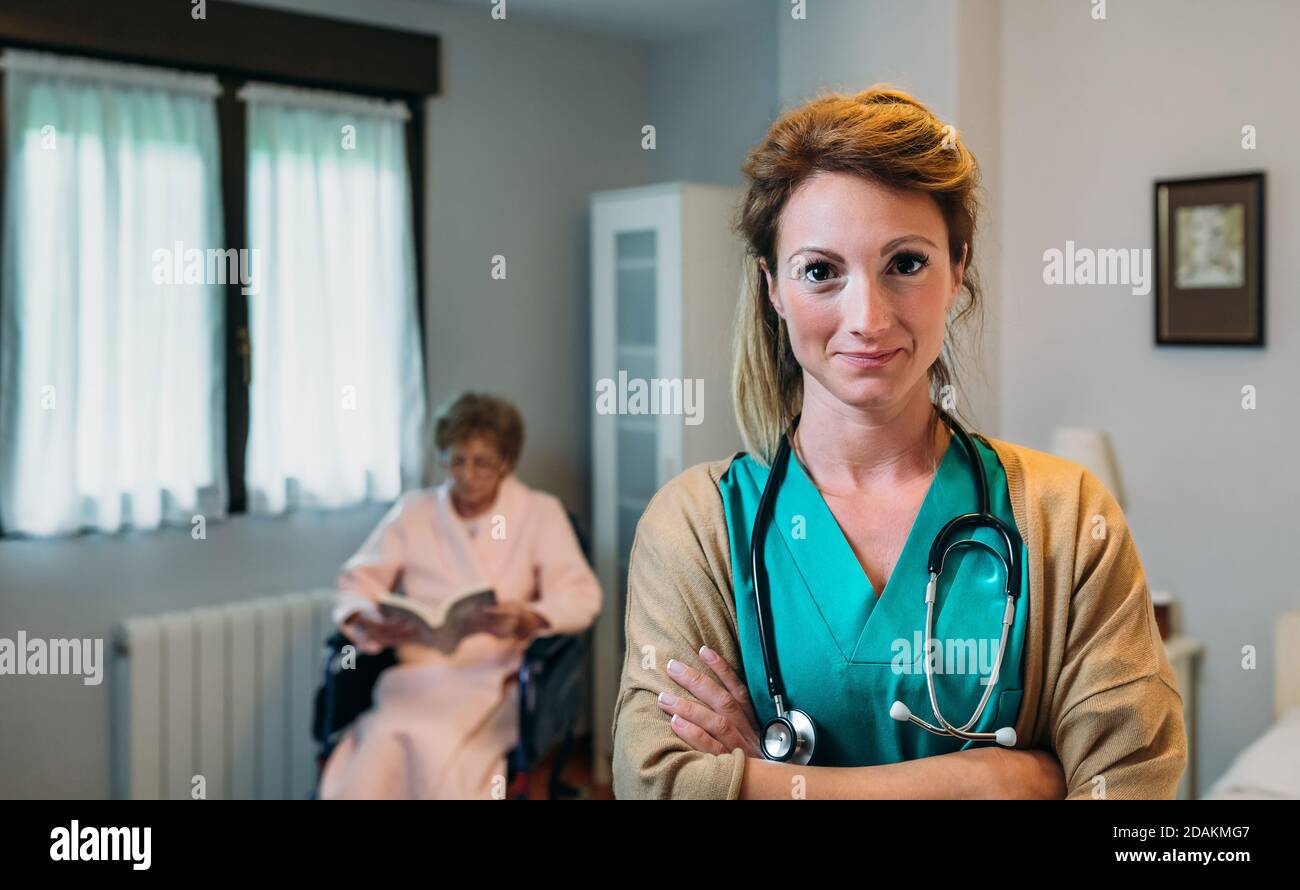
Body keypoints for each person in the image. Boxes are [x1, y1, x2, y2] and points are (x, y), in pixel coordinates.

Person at [611, 86, 1186, 799]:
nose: (867, 317)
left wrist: (766, 778)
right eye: (820, 271)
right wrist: (986, 781)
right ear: (772, 288)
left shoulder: (1066, 518)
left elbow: (1132, 794)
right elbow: (654, 784)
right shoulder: (695, 527)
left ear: (957, 271)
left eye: (906, 263)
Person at [318, 392, 601, 799]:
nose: (467, 475)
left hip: (495, 679)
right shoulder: (413, 511)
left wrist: (530, 617)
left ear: (506, 461)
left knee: (445, 752)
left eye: (481, 462)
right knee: (378, 745)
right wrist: (366, 618)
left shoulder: (539, 512)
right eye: (456, 460)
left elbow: (580, 595)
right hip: (417, 676)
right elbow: (355, 583)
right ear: (442, 457)